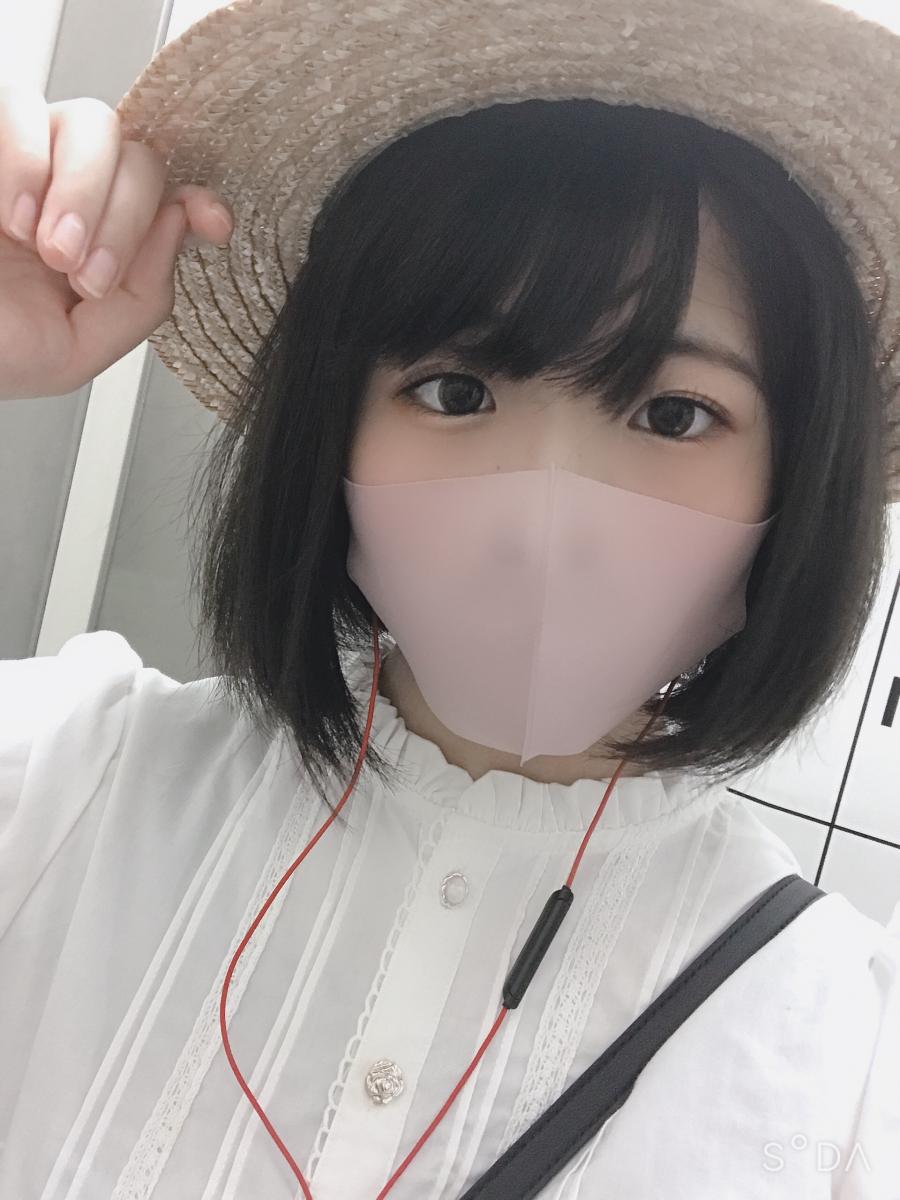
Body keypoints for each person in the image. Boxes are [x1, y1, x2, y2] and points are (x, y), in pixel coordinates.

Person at [0, 0, 898, 1196]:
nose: (544, 523)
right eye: (455, 391)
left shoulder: (837, 1050)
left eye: (675, 413)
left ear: (796, 479)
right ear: (332, 430)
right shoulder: (64, 783)